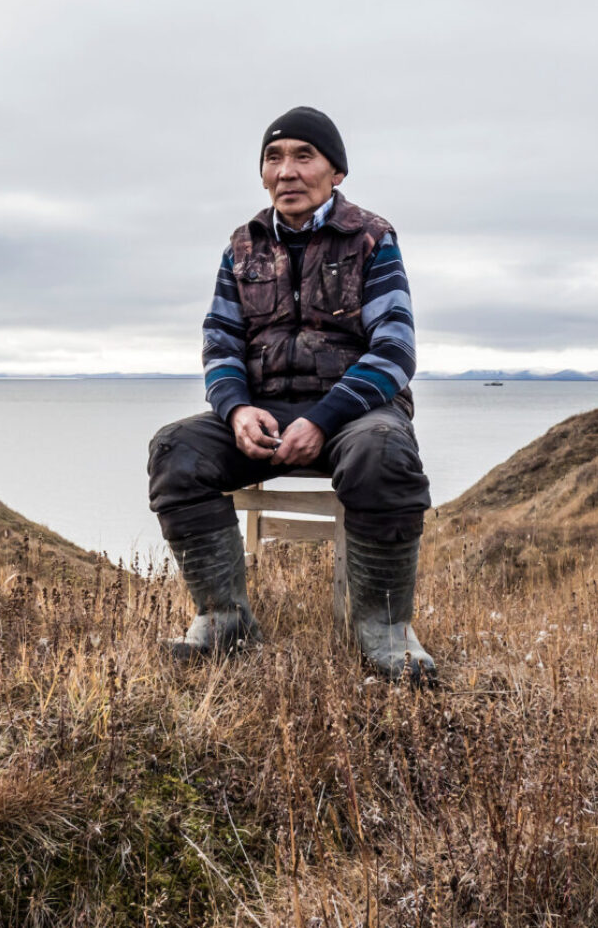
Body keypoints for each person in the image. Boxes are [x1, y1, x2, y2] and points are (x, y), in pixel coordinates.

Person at [148, 106, 435, 682]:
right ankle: (223, 619)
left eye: (304, 156)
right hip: (265, 413)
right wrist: (235, 410)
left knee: (384, 453)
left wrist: (325, 420)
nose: (288, 171)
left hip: (357, 414)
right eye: (274, 159)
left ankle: (383, 628)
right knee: (175, 451)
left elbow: (395, 349)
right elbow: (221, 343)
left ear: (337, 172)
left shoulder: (372, 238)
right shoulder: (241, 246)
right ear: (261, 175)